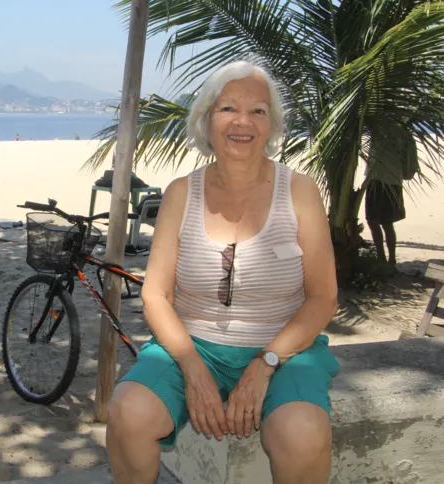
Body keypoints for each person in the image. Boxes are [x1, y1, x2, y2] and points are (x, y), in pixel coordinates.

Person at [106, 60, 340, 484]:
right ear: (206, 119)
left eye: (258, 111)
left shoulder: (300, 191)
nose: (242, 122)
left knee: (303, 433)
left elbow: (323, 296)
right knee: (128, 411)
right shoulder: (181, 193)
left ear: (271, 125)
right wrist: (192, 368)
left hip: (285, 350)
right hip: (192, 347)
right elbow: (156, 294)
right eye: (228, 108)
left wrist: (265, 362)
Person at [365, 130, 418, 266]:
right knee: (386, 222)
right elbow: (411, 162)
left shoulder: (379, 130)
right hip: (393, 180)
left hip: (377, 179)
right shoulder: (405, 134)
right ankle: (390, 259)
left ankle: (383, 258)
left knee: (374, 220)